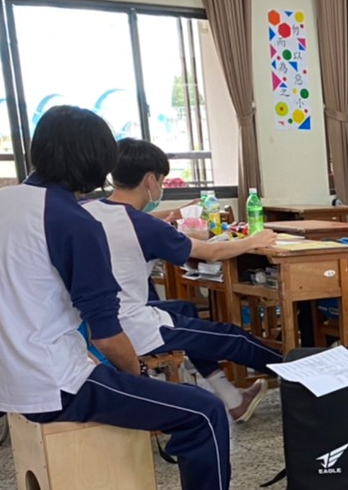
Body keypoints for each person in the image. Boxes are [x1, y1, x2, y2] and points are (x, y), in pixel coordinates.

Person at [0, 106, 277, 490]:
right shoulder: (73, 221)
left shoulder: (3, 201)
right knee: (203, 413)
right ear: (95, 163)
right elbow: (108, 335)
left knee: (179, 344)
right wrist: (136, 376)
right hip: (51, 381)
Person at [84, 138, 280, 422]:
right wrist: (254, 240)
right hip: (131, 326)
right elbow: (210, 252)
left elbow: (133, 221)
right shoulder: (145, 226)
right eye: (161, 180)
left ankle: (232, 398)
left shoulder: (89, 210)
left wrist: (172, 217)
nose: (160, 187)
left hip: (92, 321)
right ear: (150, 180)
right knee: (232, 338)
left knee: (185, 309)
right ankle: (300, 373)